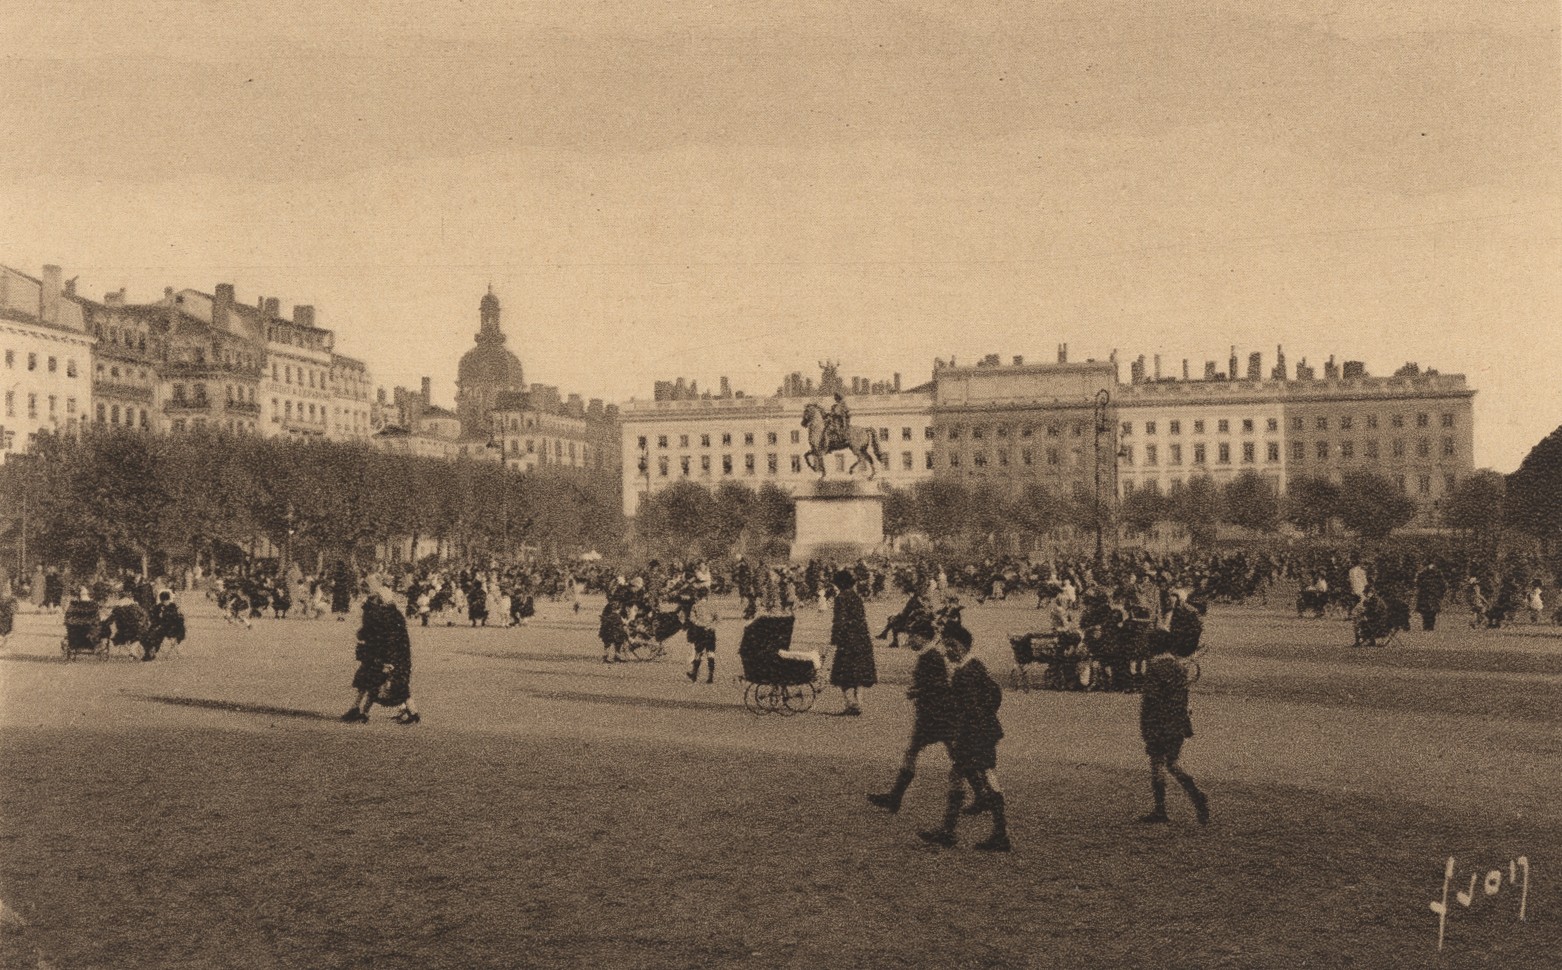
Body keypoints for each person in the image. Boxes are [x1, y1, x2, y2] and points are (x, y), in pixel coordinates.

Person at [918, 624, 1010, 851]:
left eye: (950, 645)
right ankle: (953, 830)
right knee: (968, 774)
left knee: (979, 776)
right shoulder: (976, 666)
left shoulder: (964, 673)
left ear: (960, 646)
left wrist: (963, 734)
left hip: (975, 733)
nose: (947, 650)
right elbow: (994, 696)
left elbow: (968, 709)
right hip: (985, 730)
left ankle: (992, 834)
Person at [868, 624, 956, 813]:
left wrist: (918, 690)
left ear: (923, 636)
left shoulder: (932, 657)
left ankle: (895, 797)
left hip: (936, 715)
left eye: (912, 636)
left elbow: (941, 686)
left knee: (950, 755)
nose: (909, 640)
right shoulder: (931, 655)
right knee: (945, 754)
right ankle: (895, 797)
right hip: (934, 714)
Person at [1137, 629, 1209, 825]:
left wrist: (1146, 724)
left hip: (1159, 722)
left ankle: (1160, 809)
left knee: (1157, 764)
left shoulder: (1154, 667)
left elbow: (1151, 699)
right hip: (1177, 721)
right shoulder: (1178, 666)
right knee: (1173, 763)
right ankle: (1196, 795)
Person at [342, 584, 420, 725]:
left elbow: (386, 640)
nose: (372, 599)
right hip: (394, 657)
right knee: (392, 685)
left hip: (386, 657)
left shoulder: (385, 616)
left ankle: (361, 712)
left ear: (380, 599)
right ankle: (410, 712)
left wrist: (387, 661)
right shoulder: (392, 614)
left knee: (376, 683)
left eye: (374, 597)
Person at [828, 570, 876, 715]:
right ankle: (859, 702)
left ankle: (850, 703)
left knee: (844, 672)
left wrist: (834, 638)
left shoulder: (840, 598)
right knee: (859, 672)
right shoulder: (857, 597)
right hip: (862, 638)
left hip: (847, 640)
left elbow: (839, 621)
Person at [684, 588, 719, 684]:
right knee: (711, 653)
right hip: (711, 631)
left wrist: (699, 623)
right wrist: (711, 625)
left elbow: (692, 618)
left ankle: (694, 675)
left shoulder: (695, 606)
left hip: (700, 631)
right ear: (707, 595)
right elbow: (718, 618)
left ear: (699, 595)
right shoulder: (712, 605)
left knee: (698, 653)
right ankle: (710, 676)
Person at [141, 590, 187, 661]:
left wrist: (163, 618)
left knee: (156, 635)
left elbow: (176, 621)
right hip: (159, 627)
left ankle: (151, 652)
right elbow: (153, 618)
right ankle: (149, 652)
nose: (164, 602)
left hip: (170, 629)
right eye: (163, 600)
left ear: (168, 600)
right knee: (147, 635)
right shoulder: (157, 607)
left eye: (166, 600)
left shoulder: (173, 607)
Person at [1415, 564, 1447, 631]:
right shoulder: (1423, 574)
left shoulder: (1438, 575)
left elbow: (1443, 586)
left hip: (1432, 596)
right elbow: (1417, 583)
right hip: (1425, 596)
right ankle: (1427, 627)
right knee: (1426, 612)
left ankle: (1429, 627)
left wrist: (1439, 593)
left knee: (1431, 612)